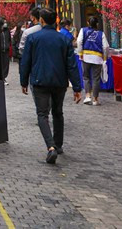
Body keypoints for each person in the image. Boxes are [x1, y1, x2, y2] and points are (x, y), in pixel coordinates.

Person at [20, 8, 83, 164]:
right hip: (59, 82)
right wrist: (76, 87)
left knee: (42, 115)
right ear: (55, 21)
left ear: (41, 20)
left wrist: (23, 81)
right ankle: (58, 144)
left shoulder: (33, 38)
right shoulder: (63, 39)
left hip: (40, 80)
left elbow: (25, 61)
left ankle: (51, 147)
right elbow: (71, 65)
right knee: (58, 112)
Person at [76, 17, 110, 106]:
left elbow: (79, 41)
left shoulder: (83, 30)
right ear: (97, 24)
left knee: (86, 77)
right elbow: (106, 47)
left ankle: (87, 96)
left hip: (85, 56)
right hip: (97, 58)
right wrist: (105, 57)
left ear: (88, 23)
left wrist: (80, 53)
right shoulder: (101, 34)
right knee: (96, 78)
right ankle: (95, 99)